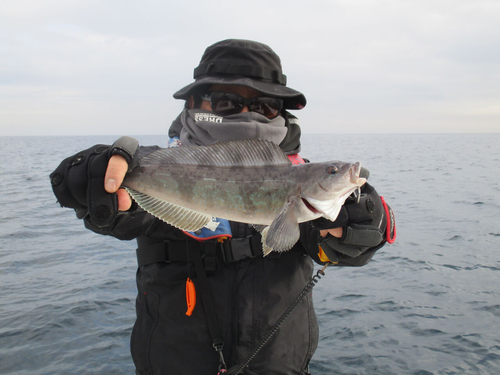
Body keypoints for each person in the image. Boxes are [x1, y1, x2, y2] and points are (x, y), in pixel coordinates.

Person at [50, 39, 395, 375]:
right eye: (227, 102)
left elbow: (345, 248)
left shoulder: (303, 177)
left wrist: (361, 224)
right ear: (194, 104)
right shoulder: (150, 165)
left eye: (266, 107)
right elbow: (115, 207)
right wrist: (90, 174)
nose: (247, 114)